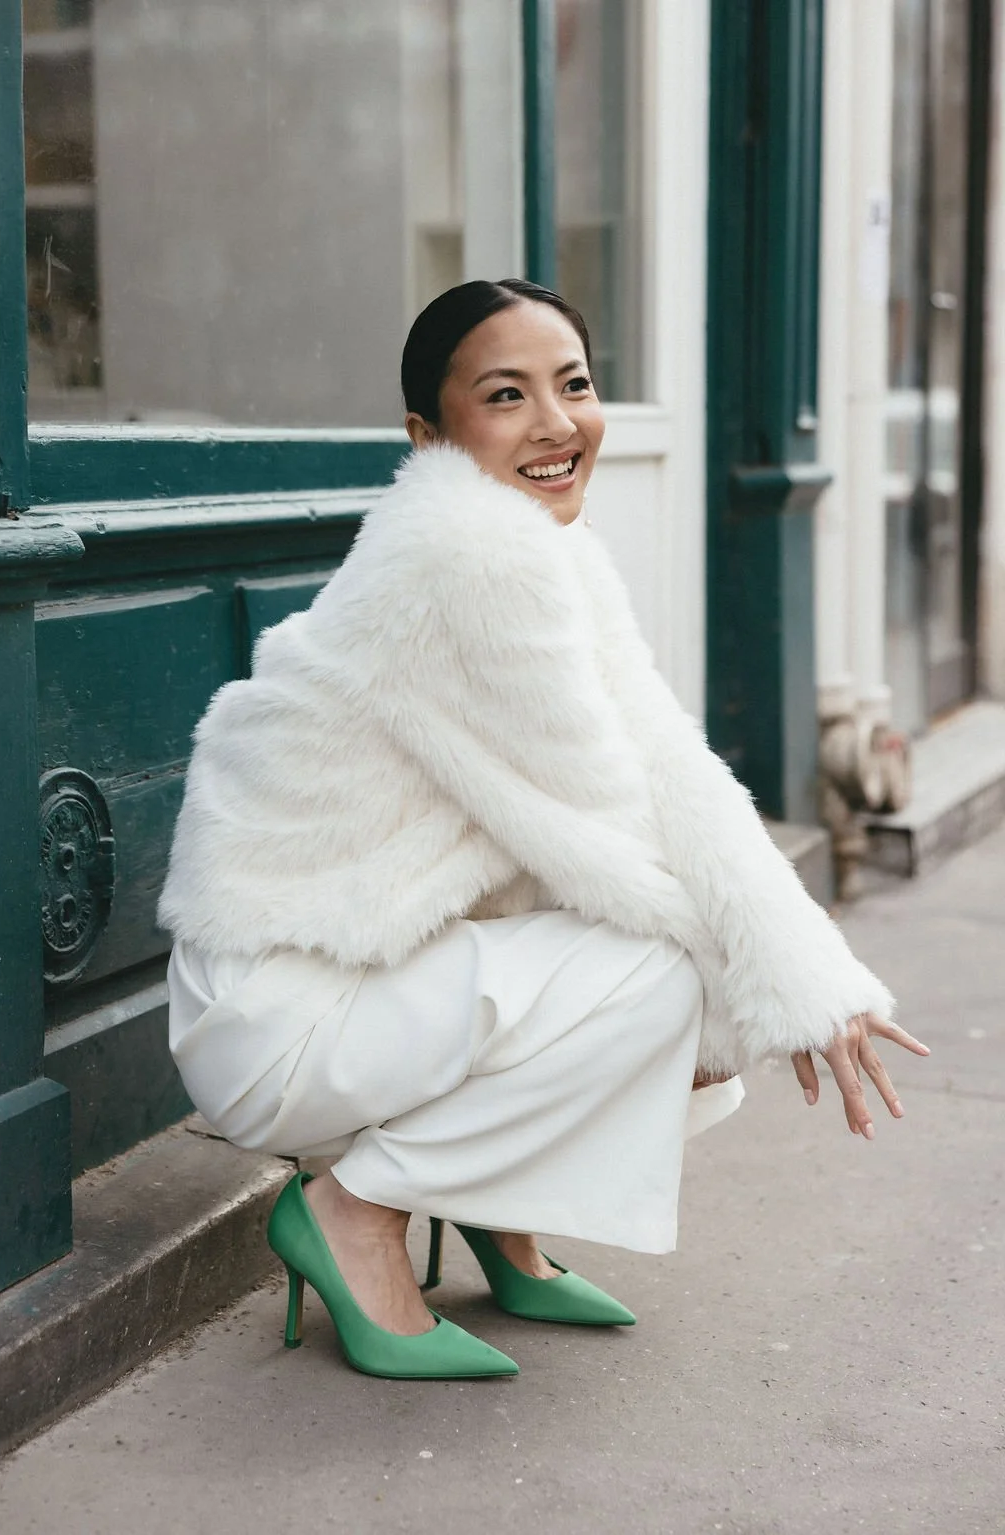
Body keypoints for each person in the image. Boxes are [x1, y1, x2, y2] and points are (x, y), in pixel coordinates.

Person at [157, 279, 928, 1382]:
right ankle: (353, 1210)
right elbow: (610, 837)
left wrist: (803, 975)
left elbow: (663, 761)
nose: (557, 423)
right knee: (663, 980)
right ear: (429, 435)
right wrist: (767, 990)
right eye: (506, 395)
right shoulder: (467, 556)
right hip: (281, 1008)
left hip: (346, 969)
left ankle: (491, 1211)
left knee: (676, 978)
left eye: (572, 383)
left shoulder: (543, 548)